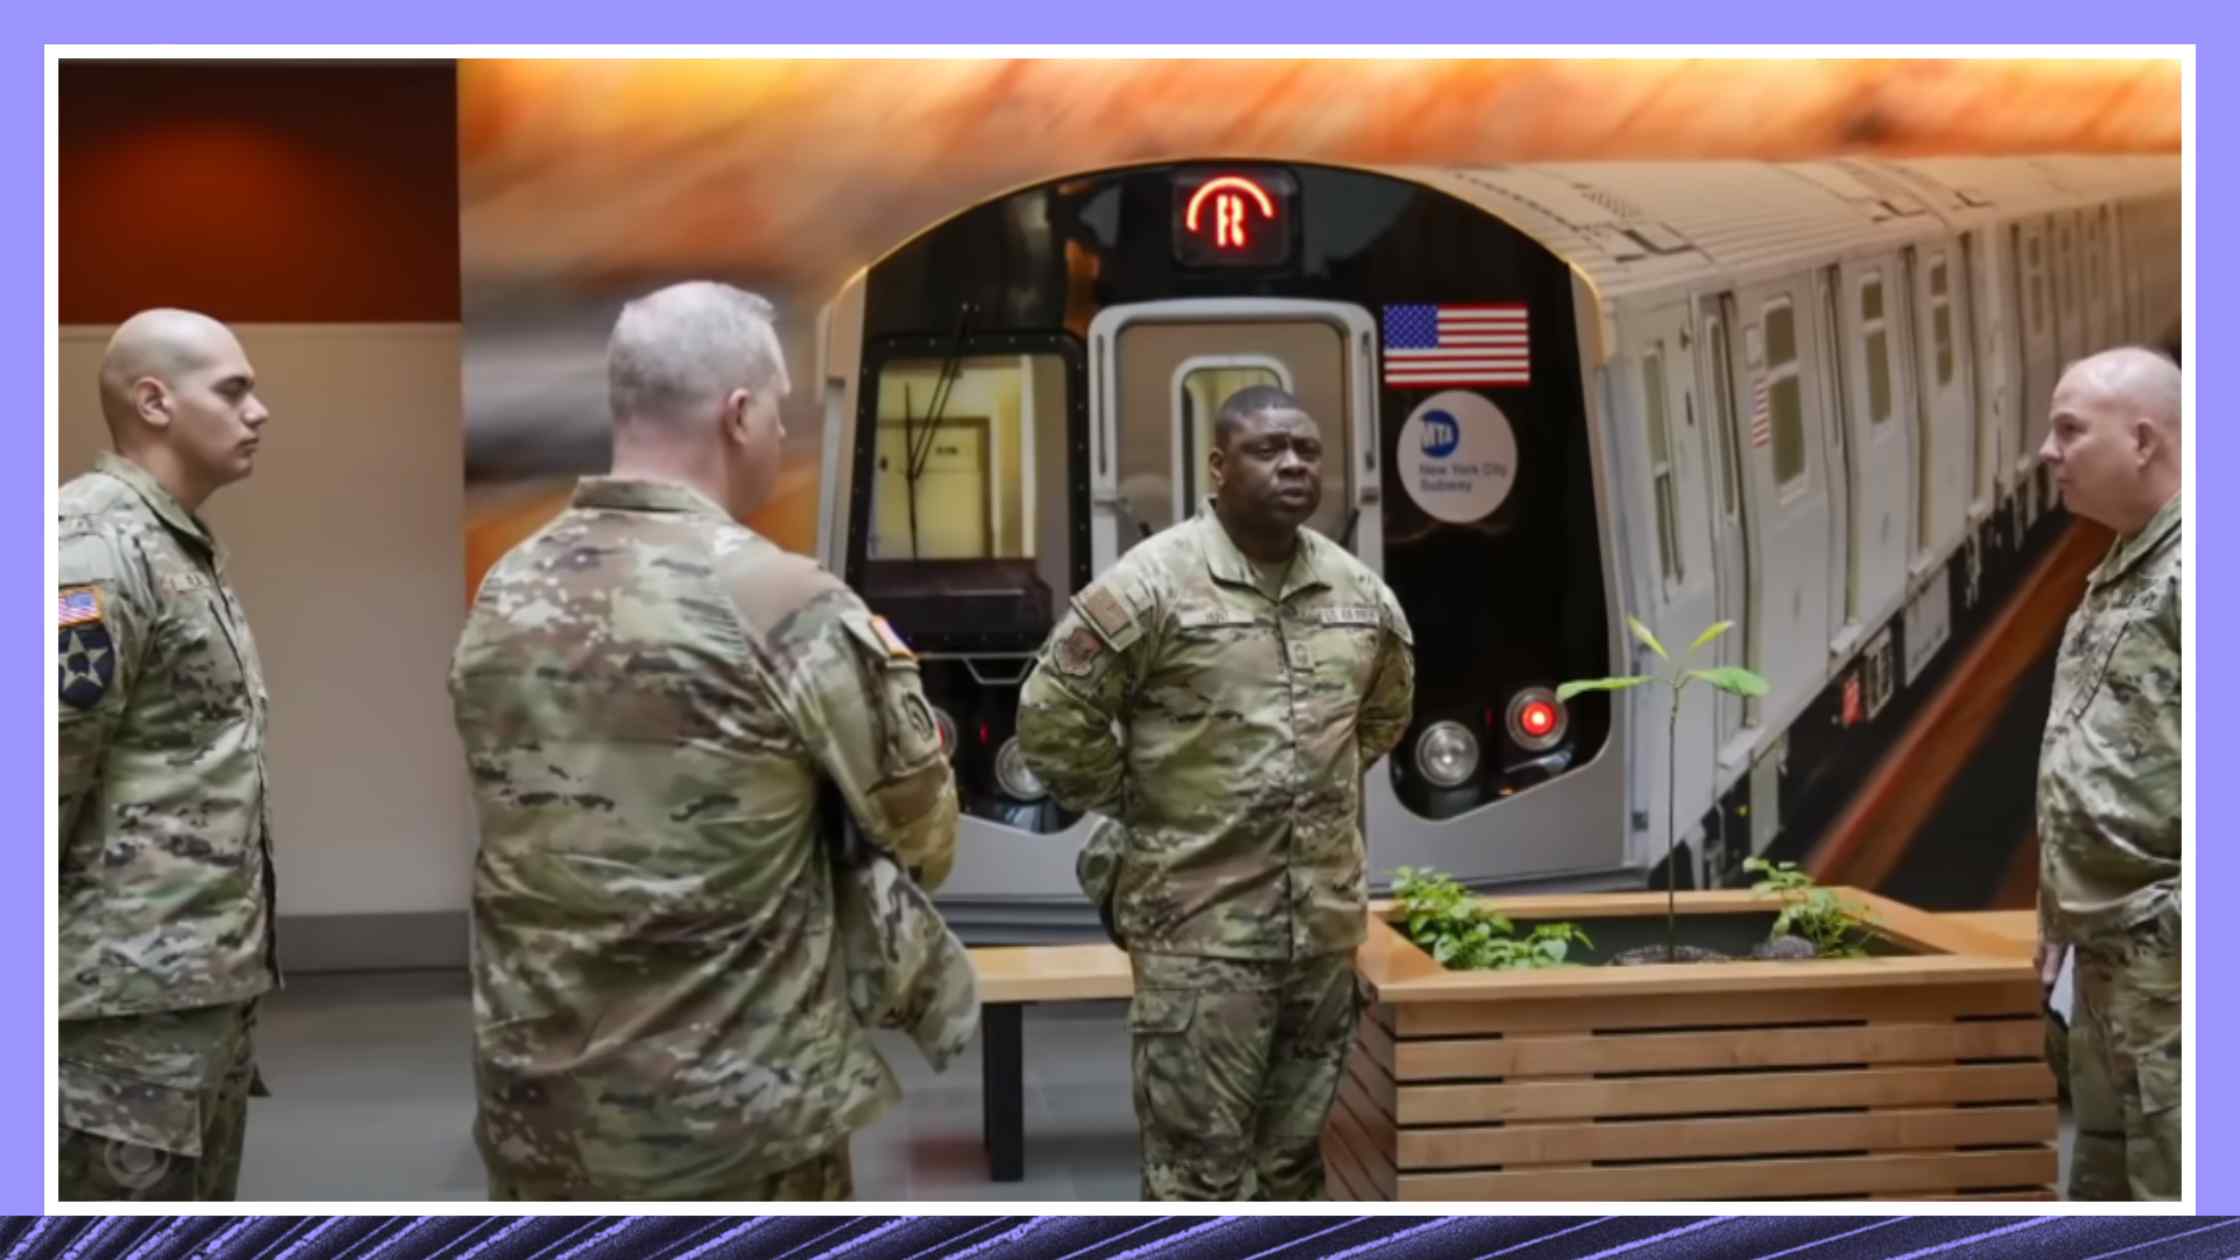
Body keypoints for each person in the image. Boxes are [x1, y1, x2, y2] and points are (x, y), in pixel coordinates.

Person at [447, 281, 962, 1201]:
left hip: (540, 1112)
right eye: (778, 414)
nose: (780, 439)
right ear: (738, 413)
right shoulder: (781, 602)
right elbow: (925, 837)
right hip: (733, 1130)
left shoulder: (506, 589)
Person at [1017, 384, 1416, 1201]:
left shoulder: (1358, 596)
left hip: (1321, 937)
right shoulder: (1153, 585)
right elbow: (1052, 717)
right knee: (1197, 1178)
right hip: (1199, 937)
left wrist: (1299, 793)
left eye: (1307, 450)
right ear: (1218, 465)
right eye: (1269, 450)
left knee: (1292, 1170)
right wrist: (1150, 806)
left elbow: (1380, 720)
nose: (1294, 465)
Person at [57, 309, 279, 1200]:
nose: (259, 411)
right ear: (155, 401)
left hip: (188, 996)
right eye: (233, 390)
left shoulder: (172, 541)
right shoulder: (96, 551)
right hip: (117, 1013)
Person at [2034, 346, 2183, 1201]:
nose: (2047, 453)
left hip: (2173, 973)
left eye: (2068, 431)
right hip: (2107, 970)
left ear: (2141, 441)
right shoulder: (2131, 562)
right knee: (2108, 1193)